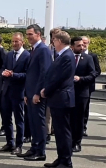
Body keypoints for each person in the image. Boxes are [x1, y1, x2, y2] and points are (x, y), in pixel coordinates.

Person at [41, 31, 75, 168]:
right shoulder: (62, 55)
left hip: (62, 98)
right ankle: (61, 159)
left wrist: (46, 90)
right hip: (57, 98)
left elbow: (59, 79)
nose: (53, 43)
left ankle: (66, 161)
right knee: (60, 132)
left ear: (60, 41)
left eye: (54, 40)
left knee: (63, 131)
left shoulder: (67, 56)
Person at [17, 24, 52, 161]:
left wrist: (38, 92)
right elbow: (30, 73)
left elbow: (44, 73)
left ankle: (40, 151)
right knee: (32, 122)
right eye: (27, 34)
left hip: (37, 94)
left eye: (30, 34)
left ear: (38, 34)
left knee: (39, 122)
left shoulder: (43, 50)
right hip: (30, 93)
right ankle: (34, 148)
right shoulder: (34, 50)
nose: (28, 37)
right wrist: (27, 93)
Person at [0, 32, 30, 155]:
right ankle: (10, 143)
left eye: (17, 41)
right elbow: (3, 68)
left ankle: (19, 145)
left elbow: (28, 74)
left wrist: (13, 75)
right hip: (6, 91)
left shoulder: (27, 56)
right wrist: (4, 73)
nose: (14, 44)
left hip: (19, 92)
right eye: (13, 41)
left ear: (22, 42)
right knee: (6, 119)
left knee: (19, 120)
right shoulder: (9, 54)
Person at [70, 37, 96, 153]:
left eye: (82, 45)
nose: (81, 47)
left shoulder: (88, 58)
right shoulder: (67, 57)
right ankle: (68, 141)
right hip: (68, 93)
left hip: (81, 93)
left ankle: (77, 142)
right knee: (69, 119)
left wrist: (81, 79)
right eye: (78, 46)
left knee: (79, 119)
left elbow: (92, 74)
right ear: (72, 47)